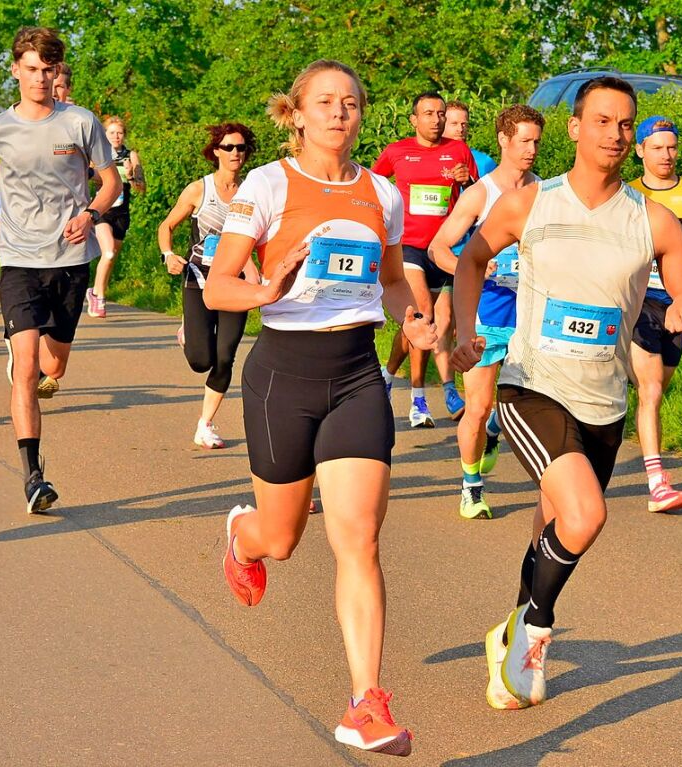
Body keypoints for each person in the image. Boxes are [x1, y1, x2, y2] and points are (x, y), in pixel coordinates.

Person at [451, 77, 682, 711]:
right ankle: (535, 634)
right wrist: (463, 331)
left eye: (625, 124)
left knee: (555, 523)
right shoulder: (530, 203)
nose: (615, 134)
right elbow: (470, 260)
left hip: (605, 401)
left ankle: (509, 633)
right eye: (601, 121)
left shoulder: (653, 220)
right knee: (587, 514)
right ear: (573, 127)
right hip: (531, 385)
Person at [204, 59, 437, 756]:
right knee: (281, 538)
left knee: (359, 538)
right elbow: (219, 286)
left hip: (357, 375)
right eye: (325, 102)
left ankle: (364, 701)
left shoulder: (381, 194)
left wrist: (416, 321)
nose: (340, 112)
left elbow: (394, 282)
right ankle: (243, 535)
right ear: (296, 113)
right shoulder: (268, 184)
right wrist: (266, 286)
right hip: (284, 373)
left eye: (351, 103)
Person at [0, 26, 120, 513]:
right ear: (16, 71)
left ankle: (36, 356)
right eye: (31, 69)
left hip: (70, 261)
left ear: (56, 73)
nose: (40, 78)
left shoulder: (81, 123)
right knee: (26, 368)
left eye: (48, 70)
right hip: (20, 259)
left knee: (53, 366)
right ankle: (34, 478)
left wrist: (90, 214)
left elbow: (108, 183)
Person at [430, 105, 544, 520]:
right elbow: (438, 248)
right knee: (477, 406)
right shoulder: (480, 193)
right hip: (486, 313)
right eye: (524, 141)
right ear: (503, 140)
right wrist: (475, 265)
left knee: (527, 402)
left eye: (536, 141)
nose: (531, 149)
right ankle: (471, 488)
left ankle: (495, 433)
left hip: (533, 316)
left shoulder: (544, 192)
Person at [373, 92, 476, 426]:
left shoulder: (458, 150)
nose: (436, 119)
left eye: (441, 113)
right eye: (428, 113)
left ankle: (387, 377)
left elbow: (477, 194)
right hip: (410, 247)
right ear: (414, 120)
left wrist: (467, 180)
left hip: (444, 249)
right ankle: (419, 401)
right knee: (424, 314)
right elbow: (372, 184)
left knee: (434, 325)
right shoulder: (397, 151)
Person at [158, 123, 258, 448]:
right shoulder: (198, 190)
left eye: (240, 148)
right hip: (198, 279)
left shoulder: (251, 192)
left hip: (234, 283)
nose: (235, 154)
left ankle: (205, 423)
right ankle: (189, 329)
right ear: (216, 151)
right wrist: (168, 254)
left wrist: (258, 273)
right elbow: (166, 226)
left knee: (226, 356)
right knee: (201, 360)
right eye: (228, 147)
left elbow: (255, 240)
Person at [627, 116, 682, 513]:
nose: (666, 155)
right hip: (636, 302)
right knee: (652, 388)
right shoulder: (627, 194)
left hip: (678, 305)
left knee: (659, 386)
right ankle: (657, 482)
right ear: (640, 150)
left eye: (672, 147)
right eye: (657, 147)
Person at [84, 116, 145, 318]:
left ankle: (94, 291)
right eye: (111, 132)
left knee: (111, 257)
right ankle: (99, 298)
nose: (116, 136)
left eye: (119, 133)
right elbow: (87, 178)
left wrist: (130, 176)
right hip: (102, 211)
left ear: (124, 135)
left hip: (121, 213)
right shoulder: (98, 155)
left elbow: (141, 188)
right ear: (105, 135)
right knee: (108, 252)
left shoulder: (131, 156)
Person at [444, 101, 497, 179]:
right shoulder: (429, 158)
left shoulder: (484, 162)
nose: (460, 129)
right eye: (454, 124)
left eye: (464, 124)